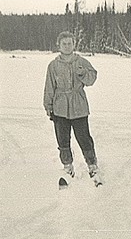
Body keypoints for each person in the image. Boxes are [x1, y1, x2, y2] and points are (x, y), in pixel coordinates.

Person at [43, 31, 99, 178]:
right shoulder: (53, 65)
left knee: (84, 137)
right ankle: (67, 166)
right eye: (64, 44)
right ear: (59, 45)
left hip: (79, 106)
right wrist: (48, 106)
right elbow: (49, 87)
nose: (67, 46)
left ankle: (92, 165)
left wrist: (83, 74)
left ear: (74, 44)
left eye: (70, 43)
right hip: (60, 107)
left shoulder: (81, 62)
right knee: (62, 139)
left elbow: (92, 79)